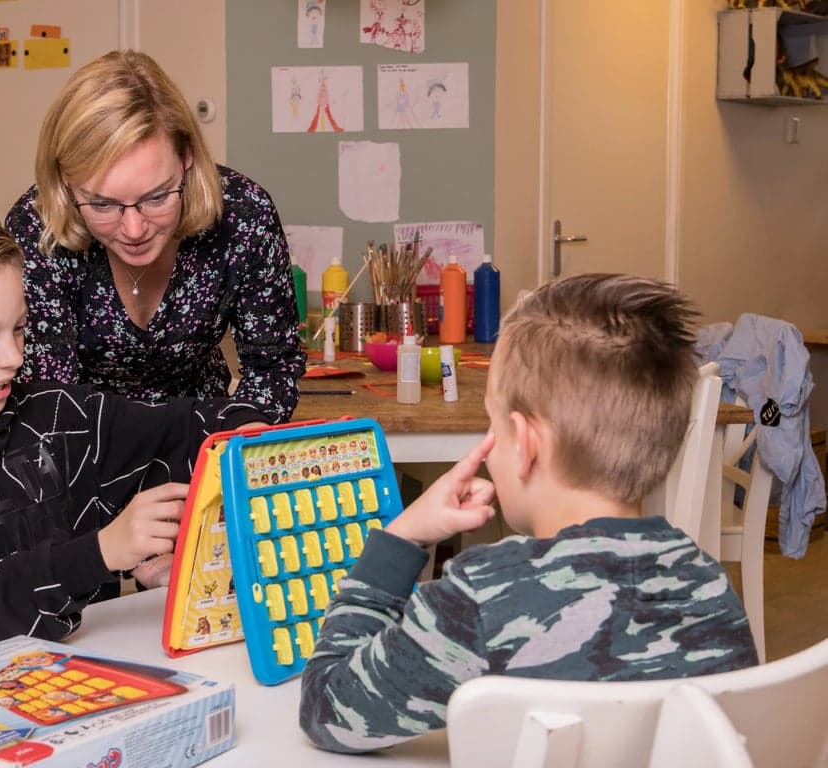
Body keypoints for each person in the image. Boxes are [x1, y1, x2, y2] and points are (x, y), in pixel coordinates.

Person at [298, 273, 759, 754]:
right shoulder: (711, 588)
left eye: (493, 425)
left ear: (524, 443)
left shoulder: (482, 597)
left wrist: (401, 538)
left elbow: (325, 708)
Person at [0, 199, 270, 656]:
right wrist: (101, 552)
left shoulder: (58, 412)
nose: (13, 357)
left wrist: (249, 436)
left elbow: (189, 426)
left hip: (82, 663)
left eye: (19, 329)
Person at [5, 49, 306, 425]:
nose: (134, 230)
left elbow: (272, 366)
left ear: (186, 158)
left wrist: (240, 442)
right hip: (84, 442)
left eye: (157, 197)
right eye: (102, 204)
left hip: (206, 431)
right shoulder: (38, 228)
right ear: (66, 180)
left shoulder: (244, 213)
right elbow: (52, 397)